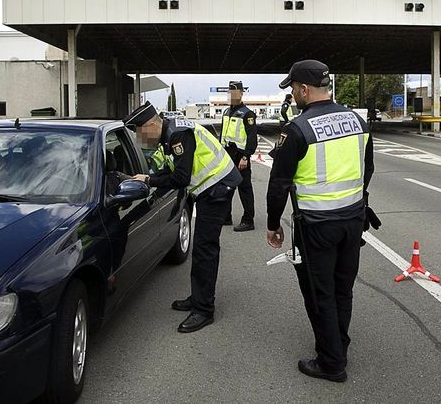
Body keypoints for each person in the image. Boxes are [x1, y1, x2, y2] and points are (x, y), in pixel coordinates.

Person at [265, 59, 374, 383]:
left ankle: (331, 363)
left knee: (319, 293)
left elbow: (279, 183)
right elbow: (367, 170)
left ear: (304, 89)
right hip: (353, 220)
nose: (294, 95)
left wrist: (273, 224)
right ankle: (339, 344)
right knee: (343, 289)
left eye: (294, 89)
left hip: (316, 226)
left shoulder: (297, 129)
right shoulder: (357, 121)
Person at [125, 101, 242, 333]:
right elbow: (172, 169)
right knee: (201, 250)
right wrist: (148, 177)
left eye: (140, 134)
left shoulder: (178, 135)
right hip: (212, 188)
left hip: (217, 188)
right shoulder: (169, 134)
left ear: (150, 125)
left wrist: (149, 181)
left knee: (204, 250)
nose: (140, 140)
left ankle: (204, 310)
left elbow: (180, 177)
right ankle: (198, 298)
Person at [220, 80, 258, 231]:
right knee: (227, 187)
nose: (232, 96)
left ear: (241, 94)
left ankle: (248, 220)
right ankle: (226, 217)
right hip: (227, 155)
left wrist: (245, 157)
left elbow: (252, 138)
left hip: (240, 155)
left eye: (235, 93)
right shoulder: (226, 112)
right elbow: (223, 135)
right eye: (230, 93)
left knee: (245, 189)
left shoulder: (247, 114)